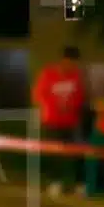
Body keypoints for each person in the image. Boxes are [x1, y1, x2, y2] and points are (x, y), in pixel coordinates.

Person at [33, 46, 85, 196]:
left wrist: (71, 106)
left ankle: (79, 184)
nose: (71, 66)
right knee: (53, 152)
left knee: (76, 152)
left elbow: (80, 96)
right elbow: (39, 95)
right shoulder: (48, 73)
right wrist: (50, 108)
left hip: (71, 121)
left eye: (74, 63)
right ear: (63, 60)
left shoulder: (76, 75)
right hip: (52, 120)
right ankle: (55, 182)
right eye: (69, 62)